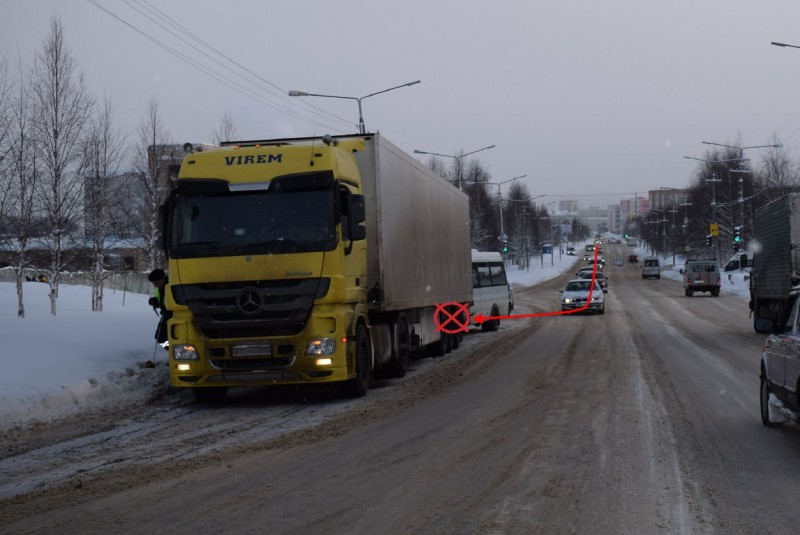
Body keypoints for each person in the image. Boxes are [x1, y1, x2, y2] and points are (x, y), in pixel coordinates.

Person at [148, 269, 172, 348]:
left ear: (162, 279)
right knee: (160, 338)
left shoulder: (172, 287)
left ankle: (175, 352)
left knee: (167, 338)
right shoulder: (159, 289)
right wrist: (154, 302)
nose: (155, 285)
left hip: (174, 316)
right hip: (165, 316)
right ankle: (172, 351)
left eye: (155, 283)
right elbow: (161, 302)